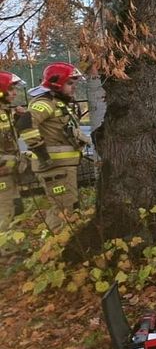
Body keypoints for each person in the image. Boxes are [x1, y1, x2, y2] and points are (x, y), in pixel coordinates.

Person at [20, 63, 89, 233]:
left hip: (62, 167)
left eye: (75, 84)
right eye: (70, 83)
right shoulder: (45, 103)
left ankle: (61, 245)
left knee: (68, 206)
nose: (74, 88)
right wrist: (42, 154)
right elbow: (25, 124)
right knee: (63, 210)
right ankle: (59, 247)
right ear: (56, 84)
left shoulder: (59, 103)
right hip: (53, 167)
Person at [0, 72, 26, 231]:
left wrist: (17, 119)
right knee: (5, 215)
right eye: (10, 89)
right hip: (2, 175)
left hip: (9, 174)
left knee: (17, 210)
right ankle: (5, 253)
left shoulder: (5, 113)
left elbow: (7, 141)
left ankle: (13, 251)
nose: (15, 93)